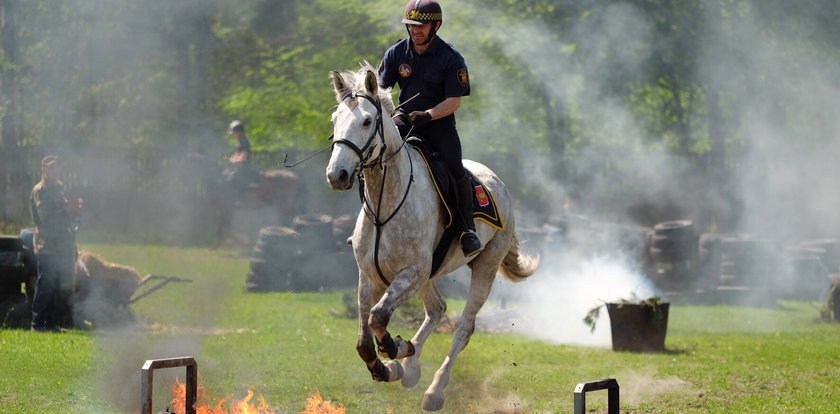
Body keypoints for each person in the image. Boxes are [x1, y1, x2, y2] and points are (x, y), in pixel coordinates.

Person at [378, 0, 482, 257]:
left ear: (436, 25)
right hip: (404, 119)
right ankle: (369, 223)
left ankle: (467, 230)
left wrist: (428, 114)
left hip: (439, 124)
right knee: (376, 156)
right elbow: (381, 90)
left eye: (421, 25)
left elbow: (454, 101)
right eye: (411, 25)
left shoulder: (451, 58)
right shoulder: (395, 54)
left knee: (456, 169)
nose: (415, 30)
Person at [29, 155, 83, 332]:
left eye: (57, 167)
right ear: (43, 169)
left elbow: (65, 216)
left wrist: (73, 209)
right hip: (47, 245)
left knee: (56, 285)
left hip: (62, 244)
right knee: (45, 285)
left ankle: (50, 323)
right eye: (51, 167)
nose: (55, 170)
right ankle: (38, 324)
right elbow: (47, 219)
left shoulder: (58, 188)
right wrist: (68, 209)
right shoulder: (41, 190)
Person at [223, 120, 261, 199]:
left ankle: (240, 199)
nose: (233, 134)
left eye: (234, 132)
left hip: (244, 167)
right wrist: (232, 158)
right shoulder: (239, 141)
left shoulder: (244, 141)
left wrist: (233, 160)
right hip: (239, 166)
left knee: (233, 178)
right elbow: (238, 154)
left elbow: (244, 156)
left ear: (239, 131)